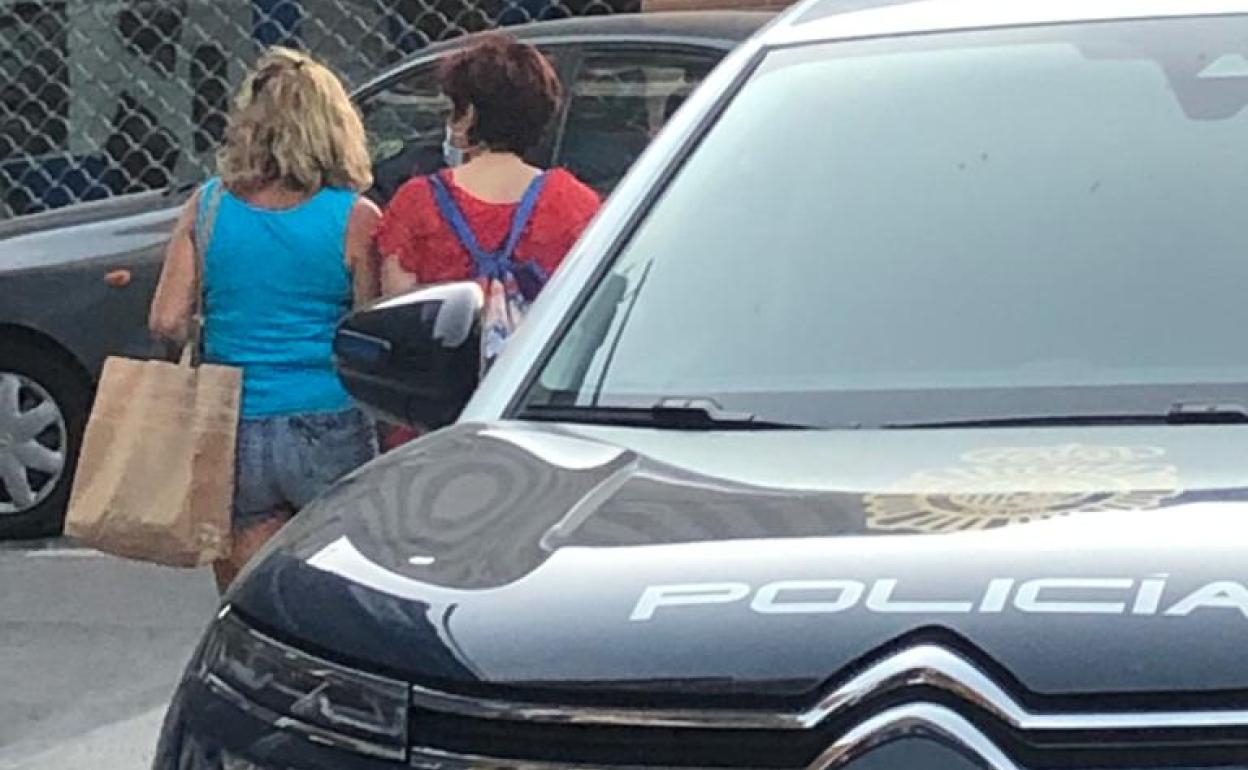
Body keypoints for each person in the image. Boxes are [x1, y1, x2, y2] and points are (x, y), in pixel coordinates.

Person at [149, 47, 380, 593]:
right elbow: (371, 330)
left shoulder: (206, 207)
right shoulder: (357, 218)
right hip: (330, 415)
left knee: (250, 601)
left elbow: (165, 320)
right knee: (338, 591)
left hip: (233, 418)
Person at [375, 34, 600, 449]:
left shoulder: (417, 203)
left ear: (470, 115)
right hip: (536, 418)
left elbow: (400, 321)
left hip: (435, 425)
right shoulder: (576, 204)